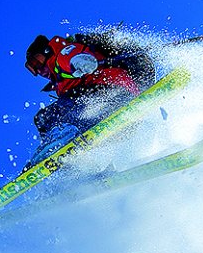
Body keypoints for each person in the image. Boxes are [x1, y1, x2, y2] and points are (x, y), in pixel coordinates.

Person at [23, 31, 157, 162]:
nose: (39, 71)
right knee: (74, 125)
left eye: (36, 62)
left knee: (43, 118)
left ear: (47, 51)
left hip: (110, 92)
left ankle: (59, 140)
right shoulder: (59, 81)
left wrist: (79, 62)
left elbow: (71, 57)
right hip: (118, 115)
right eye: (33, 69)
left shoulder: (62, 53)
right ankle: (78, 168)